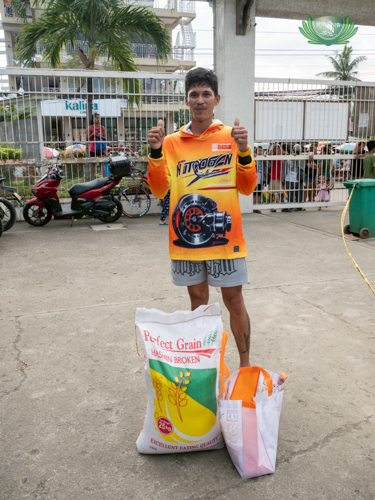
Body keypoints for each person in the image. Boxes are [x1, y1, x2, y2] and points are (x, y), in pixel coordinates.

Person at [147, 67, 257, 367]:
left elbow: (248, 188)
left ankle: (244, 368)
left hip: (226, 239)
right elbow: (158, 190)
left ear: (216, 99)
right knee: (198, 305)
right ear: (186, 100)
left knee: (234, 301)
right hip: (187, 241)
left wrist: (245, 151)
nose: (200, 100)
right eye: (193, 94)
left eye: (205, 94)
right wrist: (155, 152)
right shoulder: (171, 143)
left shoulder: (231, 137)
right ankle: (205, 367)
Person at [286, 143, 305, 210]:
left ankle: (299, 206)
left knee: (299, 192)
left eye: (299, 150)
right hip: (290, 178)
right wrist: (293, 158)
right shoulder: (289, 156)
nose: (297, 152)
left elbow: (310, 154)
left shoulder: (302, 156)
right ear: (293, 150)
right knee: (290, 193)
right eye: (296, 150)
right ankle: (291, 206)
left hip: (300, 178)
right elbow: (290, 167)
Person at [88, 113, 107, 180]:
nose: (98, 119)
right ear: (93, 119)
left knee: (101, 164)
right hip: (93, 149)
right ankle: (92, 180)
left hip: (101, 148)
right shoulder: (90, 128)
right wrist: (93, 134)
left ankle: (104, 179)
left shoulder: (102, 128)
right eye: (96, 118)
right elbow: (87, 139)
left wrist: (100, 135)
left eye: (99, 118)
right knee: (93, 165)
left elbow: (105, 138)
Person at [266, 142, 284, 212]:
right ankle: (271, 206)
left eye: (278, 148)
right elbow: (268, 154)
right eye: (275, 148)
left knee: (281, 193)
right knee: (272, 192)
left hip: (279, 177)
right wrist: (273, 146)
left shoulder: (280, 156)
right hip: (273, 176)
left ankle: (283, 206)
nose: (277, 149)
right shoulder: (272, 156)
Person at [254, 145, 267, 210]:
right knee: (254, 194)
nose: (260, 152)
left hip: (261, 179)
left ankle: (257, 207)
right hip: (254, 178)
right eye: (258, 150)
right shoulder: (254, 158)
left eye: (261, 150)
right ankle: (253, 207)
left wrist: (265, 158)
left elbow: (268, 166)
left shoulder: (263, 159)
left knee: (259, 193)